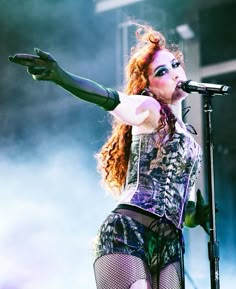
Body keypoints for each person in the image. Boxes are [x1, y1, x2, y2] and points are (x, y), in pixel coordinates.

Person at [9, 23, 209, 289]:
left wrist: (196, 216)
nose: (174, 74)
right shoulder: (150, 110)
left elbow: (179, 209)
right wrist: (60, 76)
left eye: (175, 65)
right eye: (162, 71)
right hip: (128, 232)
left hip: (170, 246)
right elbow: (108, 98)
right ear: (148, 86)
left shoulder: (189, 139)